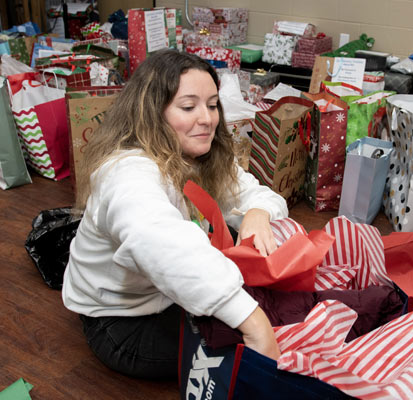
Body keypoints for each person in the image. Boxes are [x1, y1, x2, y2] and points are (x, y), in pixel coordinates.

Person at [62, 49, 288, 380]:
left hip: (164, 294)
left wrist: (258, 212)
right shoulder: (127, 171)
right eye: (188, 107)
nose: (207, 119)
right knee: (264, 335)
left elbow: (263, 195)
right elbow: (161, 242)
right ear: (152, 113)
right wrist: (254, 322)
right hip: (124, 320)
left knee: (280, 304)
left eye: (212, 105)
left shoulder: (199, 155)